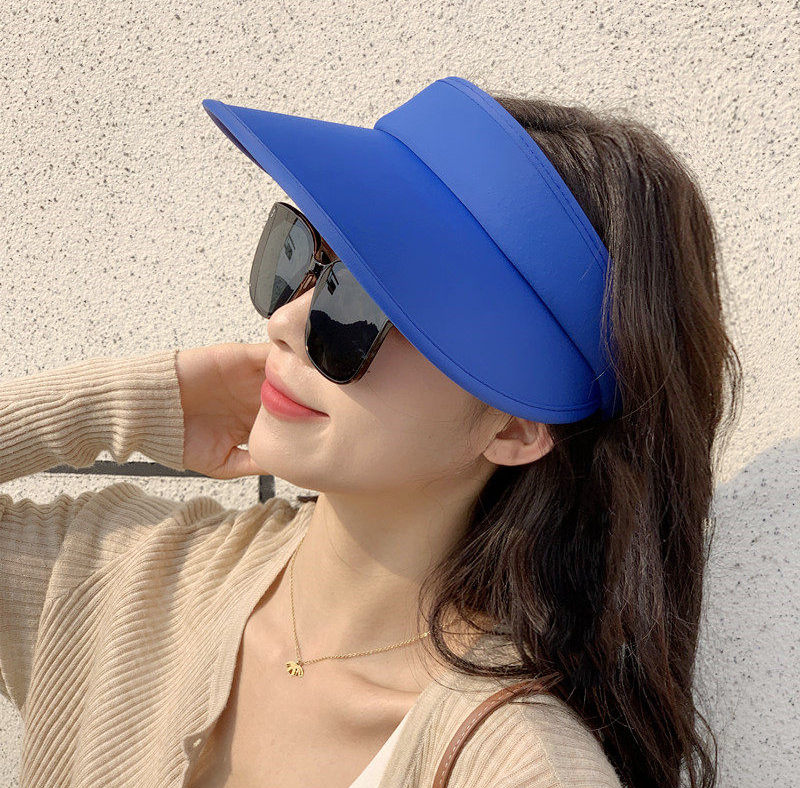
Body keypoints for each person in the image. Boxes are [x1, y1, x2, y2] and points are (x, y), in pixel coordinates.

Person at [0, 76, 742, 788]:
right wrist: (128, 400)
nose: (285, 321)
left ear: (515, 427)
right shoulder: (123, 578)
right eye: (301, 254)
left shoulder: (519, 770)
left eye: (365, 301)